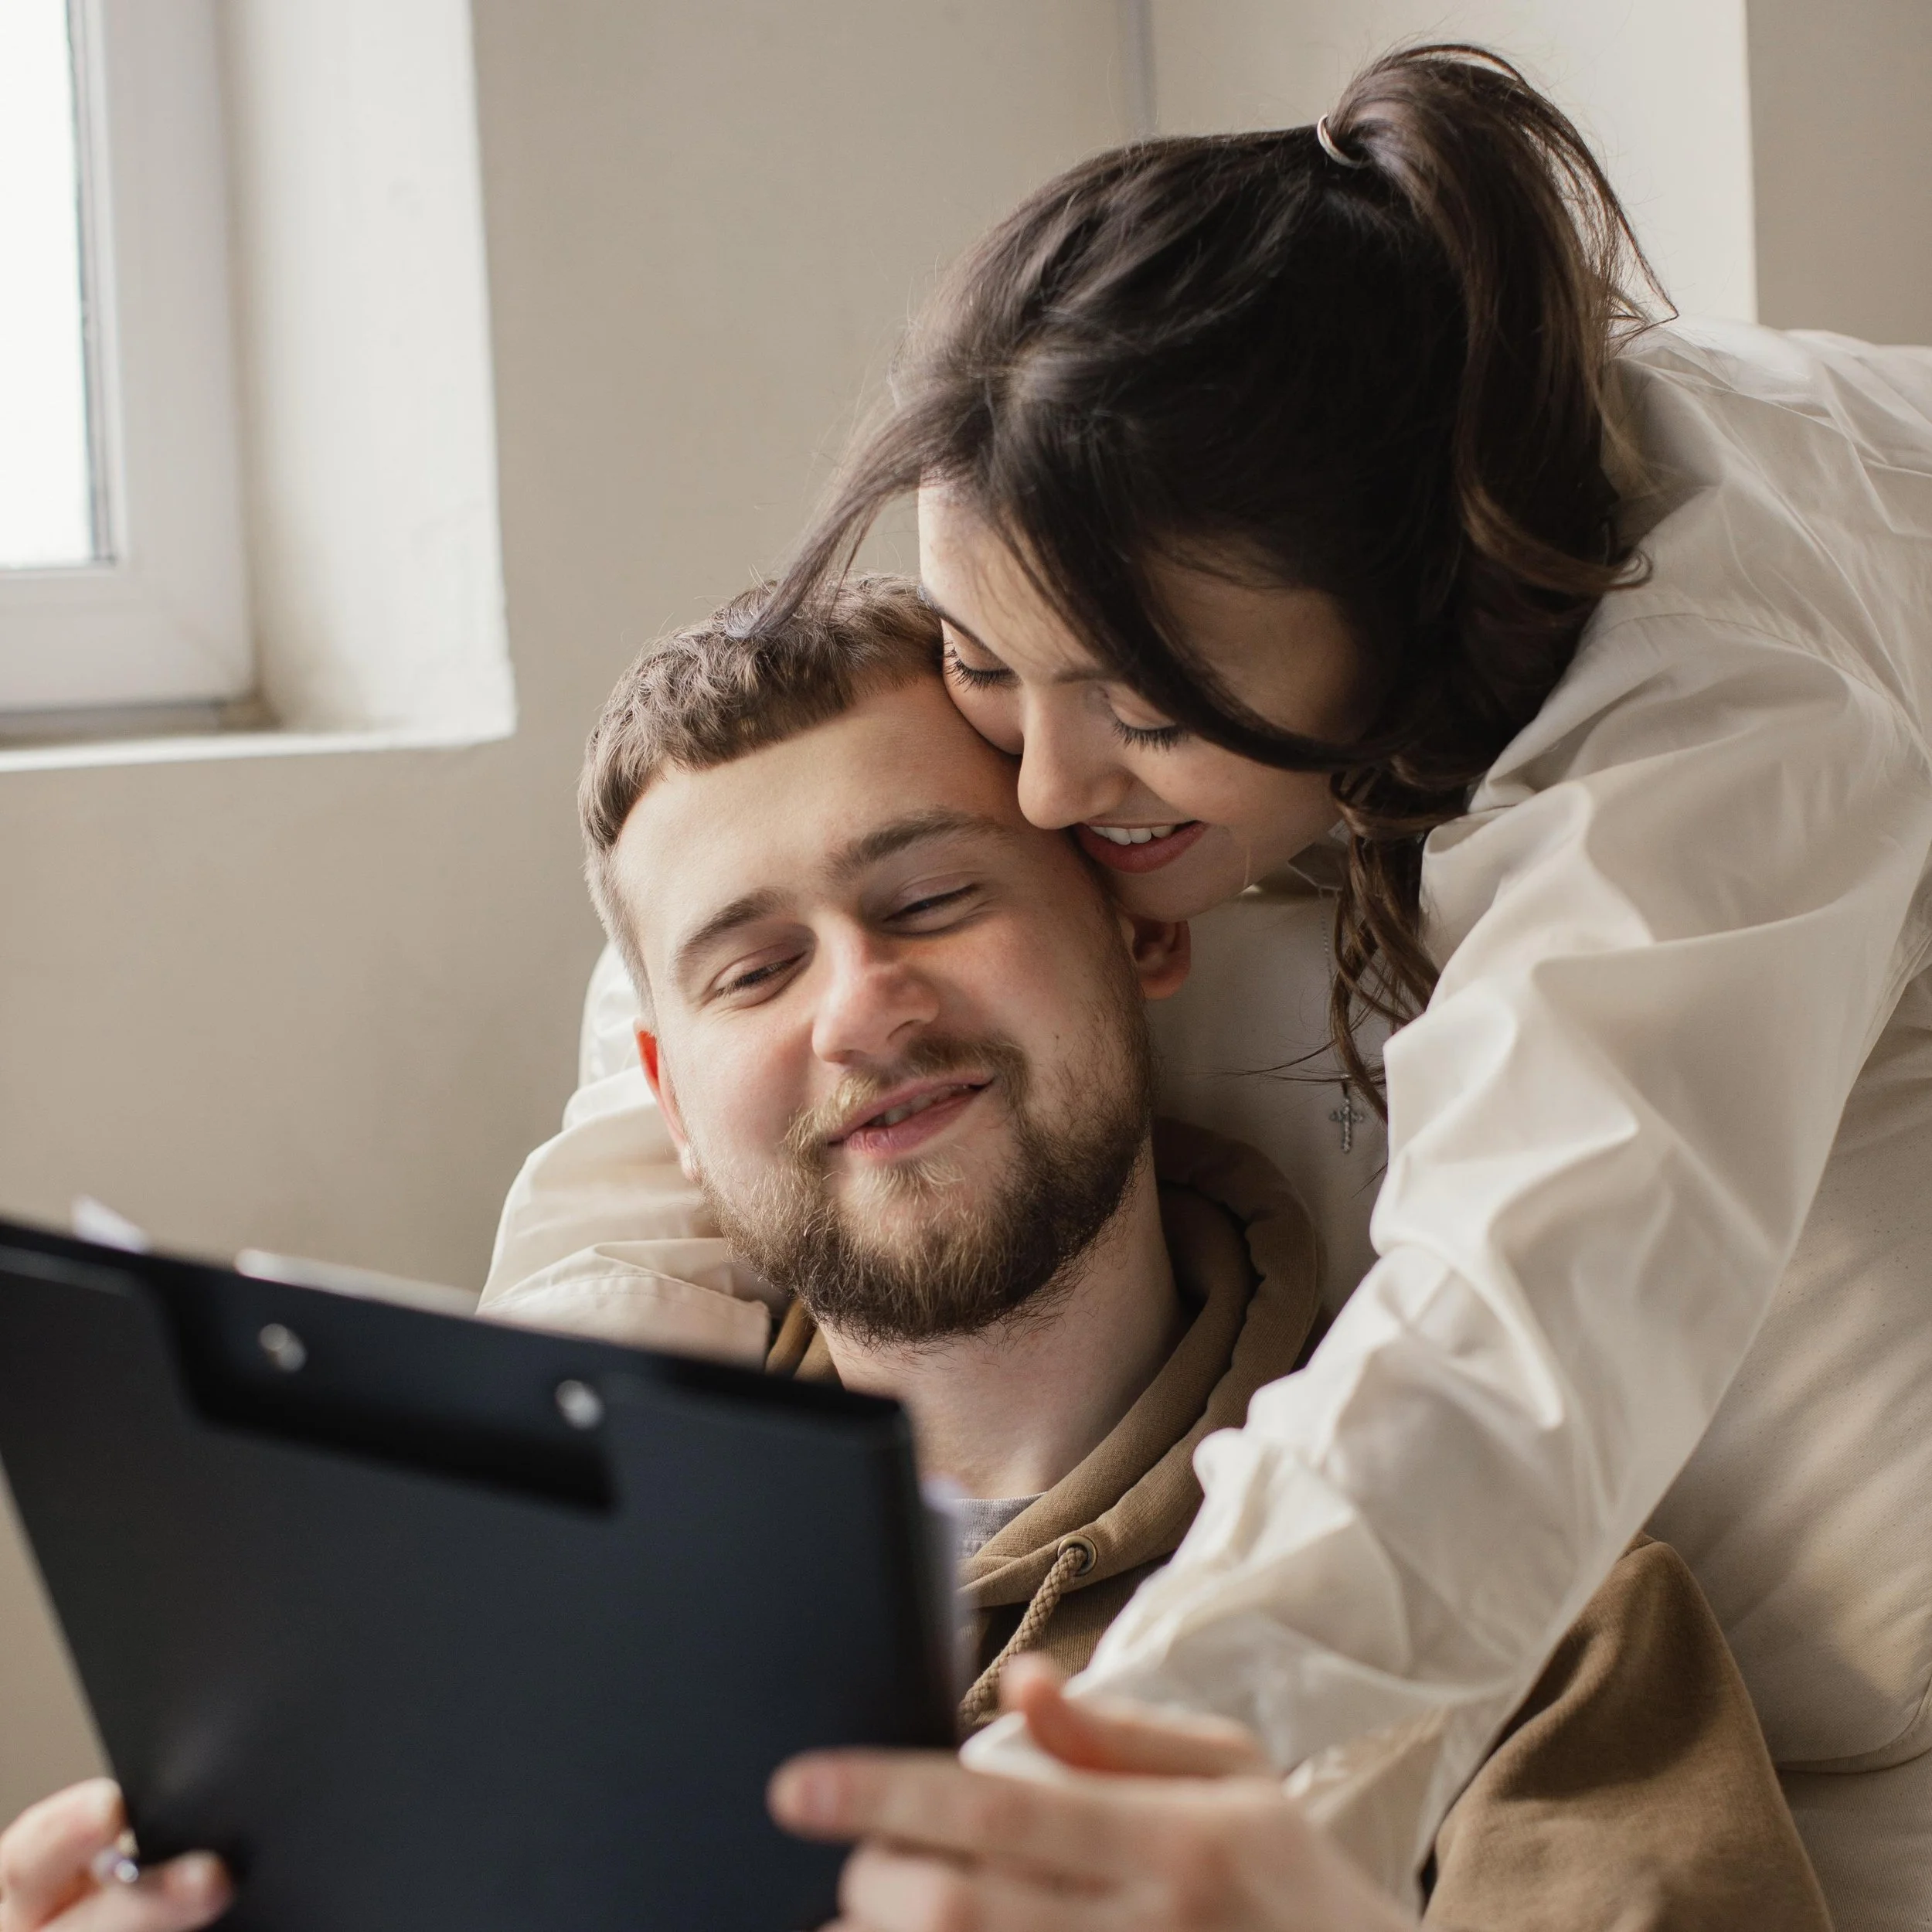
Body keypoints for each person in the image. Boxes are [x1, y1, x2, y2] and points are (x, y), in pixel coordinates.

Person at [484, 40, 1932, 1930]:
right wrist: (505, 1575)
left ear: (1412, 637)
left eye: (1149, 716)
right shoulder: (1086, 510)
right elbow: (673, 1007)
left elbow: (1521, 1341)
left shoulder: (1713, 705)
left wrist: (1051, 1820)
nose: (1043, 789)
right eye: (990, 665)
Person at [0, 577, 1828, 1932]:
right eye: (752, 965)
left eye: (932, 896)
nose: (862, 1005)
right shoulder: (475, 1608)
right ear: (666, 1089)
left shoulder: (1519, 1598)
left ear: (1138, 939)